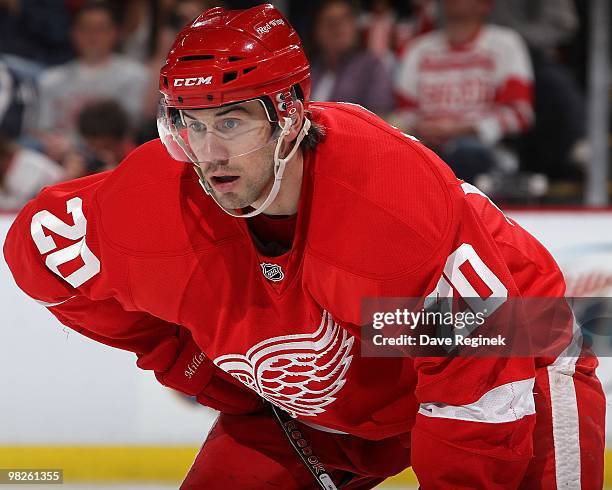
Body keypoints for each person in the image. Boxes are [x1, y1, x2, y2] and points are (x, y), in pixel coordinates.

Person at [3, 4, 604, 489]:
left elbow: (479, 384)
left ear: (290, 117)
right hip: (342, 390)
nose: (208, 153)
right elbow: (38, 249)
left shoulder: (385, 213)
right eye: (189, 124)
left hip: (515, 341)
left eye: (233, 122)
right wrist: (186, 362)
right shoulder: (156, 203)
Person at [393, 0, 534, 184]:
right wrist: (420, 127)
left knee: (466, 152)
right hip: (425, 146)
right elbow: (403, 114)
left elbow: (520, 114)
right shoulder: (418, 49)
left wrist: (464, 129)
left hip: (486, 151)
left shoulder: (506, 44)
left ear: (486, 4)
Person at [36, 1, 148, 161]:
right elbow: (42, 130)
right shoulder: (50, 80)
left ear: (114, 33)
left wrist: (77, 146)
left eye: (100, 29)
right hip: (59, 159)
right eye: (85, 29)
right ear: (74, 33)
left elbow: (130, 128)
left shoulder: (135, 76)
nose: (93, 36)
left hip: (112, 158)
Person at [310, 0, 395, 116]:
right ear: (317, 30)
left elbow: (380, 115)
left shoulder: (371, 67)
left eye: (345, 20)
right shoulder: (309, 69)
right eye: (330, 22)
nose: (338, 29)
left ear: (355, 26)